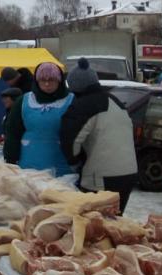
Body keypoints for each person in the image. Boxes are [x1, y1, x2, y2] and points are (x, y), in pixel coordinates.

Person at [59, 58, 138, 212]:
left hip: (101, 176)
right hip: (129, 172)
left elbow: (70, 140)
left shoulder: (83, 106)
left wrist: (75, 161)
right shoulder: (115, 101)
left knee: (96, 225)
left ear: (75, 86)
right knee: (116, 222)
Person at [4, 62, 74, 176]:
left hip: (61, 164)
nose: (47, 84)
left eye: (51, 80)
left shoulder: (71, 100)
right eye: (42, 80)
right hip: (28, 163)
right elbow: (12, 132)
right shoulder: (24, 101)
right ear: (37, 81)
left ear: (59, 81)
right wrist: (10, 158)